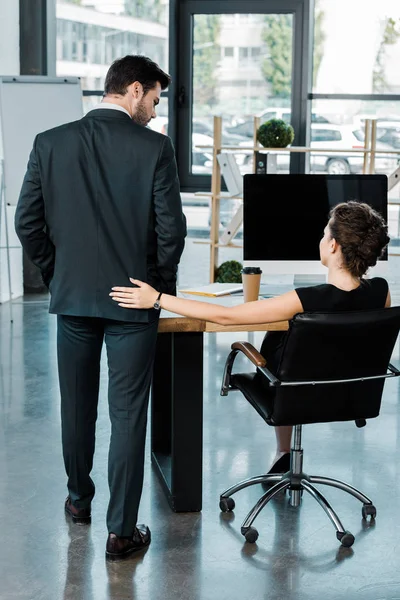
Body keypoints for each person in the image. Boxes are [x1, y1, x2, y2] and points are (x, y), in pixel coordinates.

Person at [15, 55, 187, 560]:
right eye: (155, 99)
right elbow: (170, 231)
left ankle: (77, 500)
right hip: (133, 302)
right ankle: (121, 531)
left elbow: (28, 222)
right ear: (134, 90)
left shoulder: (50, 143)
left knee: (76, 406)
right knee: (129, 414)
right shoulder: (154, 148)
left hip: (73, 301)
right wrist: (156, 291)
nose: (155, 112)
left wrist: (58, 276)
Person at [110, 201, 390, 475]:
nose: (322, 238)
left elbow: (226, 316)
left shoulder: (306, 299)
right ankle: (284, 452)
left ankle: (283, 452)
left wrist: (157, 298)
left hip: (294, 395)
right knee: (301, 360)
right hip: (352, 395)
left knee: (288, 368)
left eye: (325, 233)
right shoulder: (381, 291)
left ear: (332, 245)